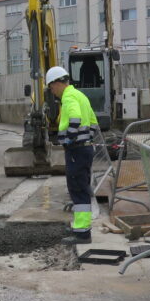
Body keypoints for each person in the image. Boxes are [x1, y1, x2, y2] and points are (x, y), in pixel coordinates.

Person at [46, 65, 99, 244]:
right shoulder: (80, 95)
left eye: (51, 87)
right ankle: (80, 226)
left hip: (76, 149)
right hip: (85, 148)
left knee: (77, 189)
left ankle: (83, 233)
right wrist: (86, 139)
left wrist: (70, 139)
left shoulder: (68, 97)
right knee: (81, 187)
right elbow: (93, 121)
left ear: (57, 83)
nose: (52, 92)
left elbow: (75, 118)